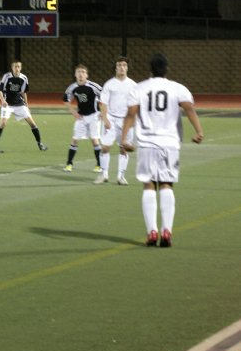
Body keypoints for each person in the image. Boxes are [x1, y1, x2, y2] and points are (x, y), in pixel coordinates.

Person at [121, 52, 204, 248]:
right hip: (170, 143)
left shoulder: (139, 88)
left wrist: (124, 139)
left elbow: (131, 114)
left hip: (147, 143)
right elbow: (189, 108)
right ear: (167, 69)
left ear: (150, 69)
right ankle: (167, 230)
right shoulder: (177, 88)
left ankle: (152, 231)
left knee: (149, 185)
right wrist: (199, 131)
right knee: (166, 184)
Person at [95, 56, 137, 185]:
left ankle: (120, 176)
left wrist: (134, 119)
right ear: (115, 67)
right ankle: (104, 174)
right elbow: (103, 103)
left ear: (127, 67)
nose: (121, 67)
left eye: (124, 65)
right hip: (111, 119)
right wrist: (106, 118)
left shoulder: (133, 85)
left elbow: (136, 104)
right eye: (119, 65)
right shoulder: (109, 84)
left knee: (123, 148)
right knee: (105, 148)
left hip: (126, 121)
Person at [0, 60, 48, 151]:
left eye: (18, 66)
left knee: (32, 123)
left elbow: (23, 92)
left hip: (20, 104)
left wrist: (26, 105)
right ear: (12, 68)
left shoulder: (24, 78)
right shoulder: (6, 77)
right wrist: (3, 100)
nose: (17, 68)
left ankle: (40, 144)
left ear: (21, 68)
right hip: (7, 105)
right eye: (15, 66)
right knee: (3, 123)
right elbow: (0, 90)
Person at [63, 64, 102, 173]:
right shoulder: (73, 87)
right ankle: (69, 164)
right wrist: (73, 112)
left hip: (94, 116)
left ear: (87, 75)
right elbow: (66, 99)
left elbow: (106, 95)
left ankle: (99, 164)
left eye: (83, 72)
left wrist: (103, 112)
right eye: (79, 72)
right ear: (75, 74)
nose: (81, 74)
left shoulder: (93, 86)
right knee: (75, 140)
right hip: (81, 117)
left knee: (94, 140)